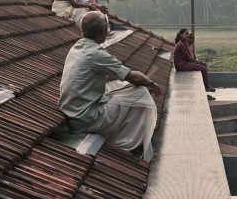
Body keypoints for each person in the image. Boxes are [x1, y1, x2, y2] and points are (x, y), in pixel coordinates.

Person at [59, 11, 162, 160]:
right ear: (102, 32)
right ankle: (128, 143)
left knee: (117, 83)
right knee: (140, 93)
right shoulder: (96, 53)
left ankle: (122, 134)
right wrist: (151, 84)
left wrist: (124, 78)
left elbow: (107, 76)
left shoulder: (77, 47)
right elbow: (135, 79)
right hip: (86, 119)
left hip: (73, 114)